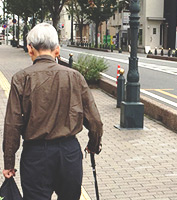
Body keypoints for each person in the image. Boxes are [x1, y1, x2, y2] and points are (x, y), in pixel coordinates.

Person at [2, 23, 103, 200]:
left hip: (35, 155)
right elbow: (94, 121)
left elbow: (12, 124)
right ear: (57, 50)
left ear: (30, 48)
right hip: (69, 153)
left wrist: (9, 163)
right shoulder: (75, 77)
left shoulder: (21, 78)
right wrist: (93, 145)